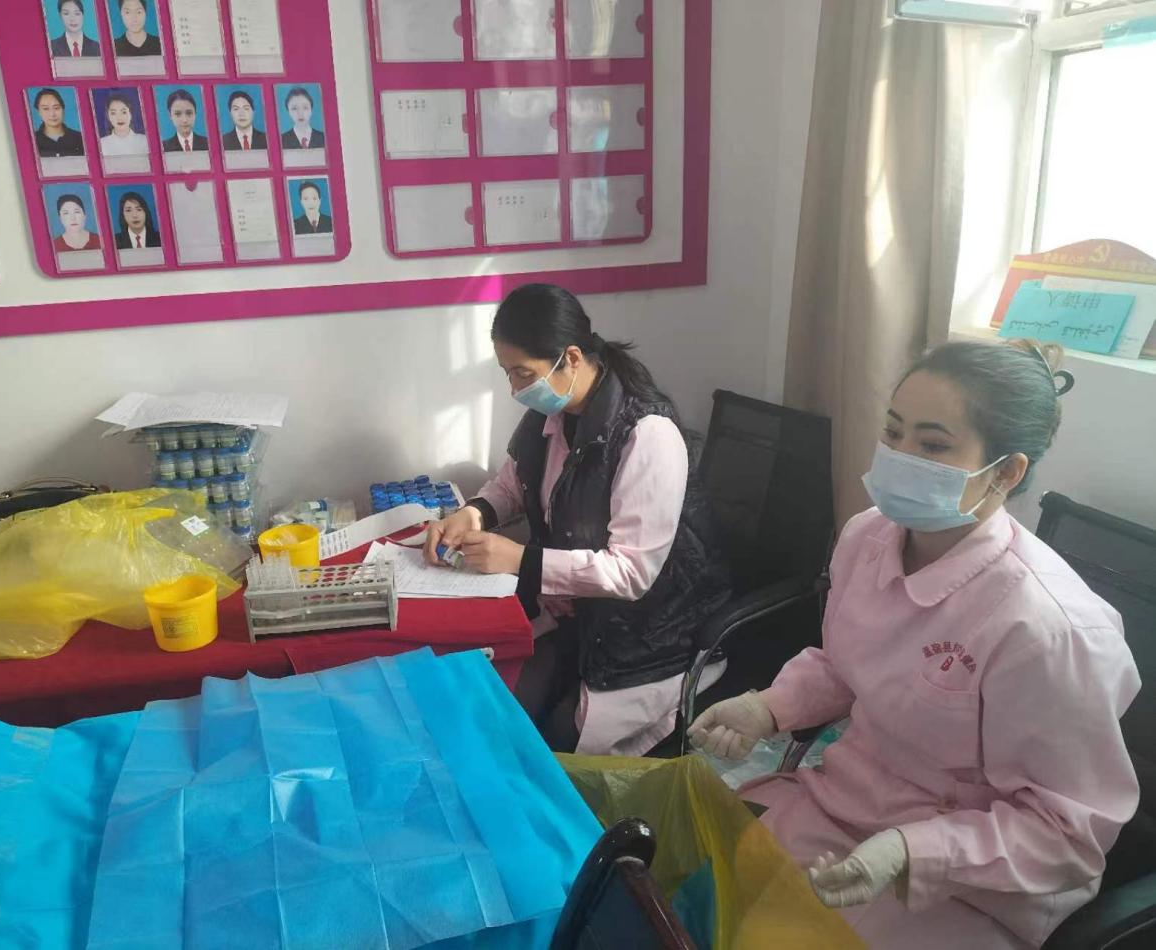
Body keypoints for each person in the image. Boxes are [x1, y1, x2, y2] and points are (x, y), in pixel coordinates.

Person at [689, 340, 1140, 950]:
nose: (900, 458)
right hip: (845, 807)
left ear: (1006, 473)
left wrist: (910, 851)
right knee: (696, 889)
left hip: (969, 879)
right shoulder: (867, 538)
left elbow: (1066, 836)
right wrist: (767, 707)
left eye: (932, 446)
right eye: (893, 432)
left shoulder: (1047, 629)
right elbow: (845, 665)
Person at [425, 284, 730, 755]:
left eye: (523, 374)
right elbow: (512, 485)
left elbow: (632, 573)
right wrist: (474, 513)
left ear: (570, 358)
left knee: (552, 746)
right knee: (500, 715)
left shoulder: (647, 435)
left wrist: (521, 560)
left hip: (647, 637)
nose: (515, 389)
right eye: (508, 374)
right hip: (577, 616)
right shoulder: (551, 414)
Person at [32, 88, 85, 158]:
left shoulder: (80, 138)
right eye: (46, 109)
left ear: (63, 109)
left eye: (56, 108)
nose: (52, 114)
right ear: (39, 112)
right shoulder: (32, 140)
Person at [98, 92, 148, 156]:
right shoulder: (101, 144)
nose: (119, 117)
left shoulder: (144, 141)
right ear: (108, 117)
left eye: (124, 112)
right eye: (113, 113)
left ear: (131, 114)